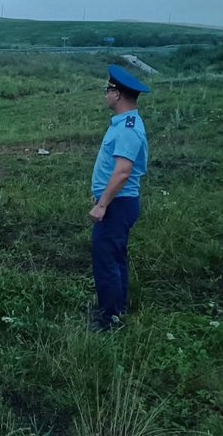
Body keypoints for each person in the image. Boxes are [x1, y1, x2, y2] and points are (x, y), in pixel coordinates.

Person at [88, 64, 150, 331]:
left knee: (106, 258)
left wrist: (103, 203)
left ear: (118, 94)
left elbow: (123, 171)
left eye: (107, 89)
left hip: (117, 204)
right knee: (115, 256)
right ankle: (116, 308)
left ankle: (109, 319)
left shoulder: (127, 128)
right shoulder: (126, 123)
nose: (105, 94)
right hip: (118, 201)